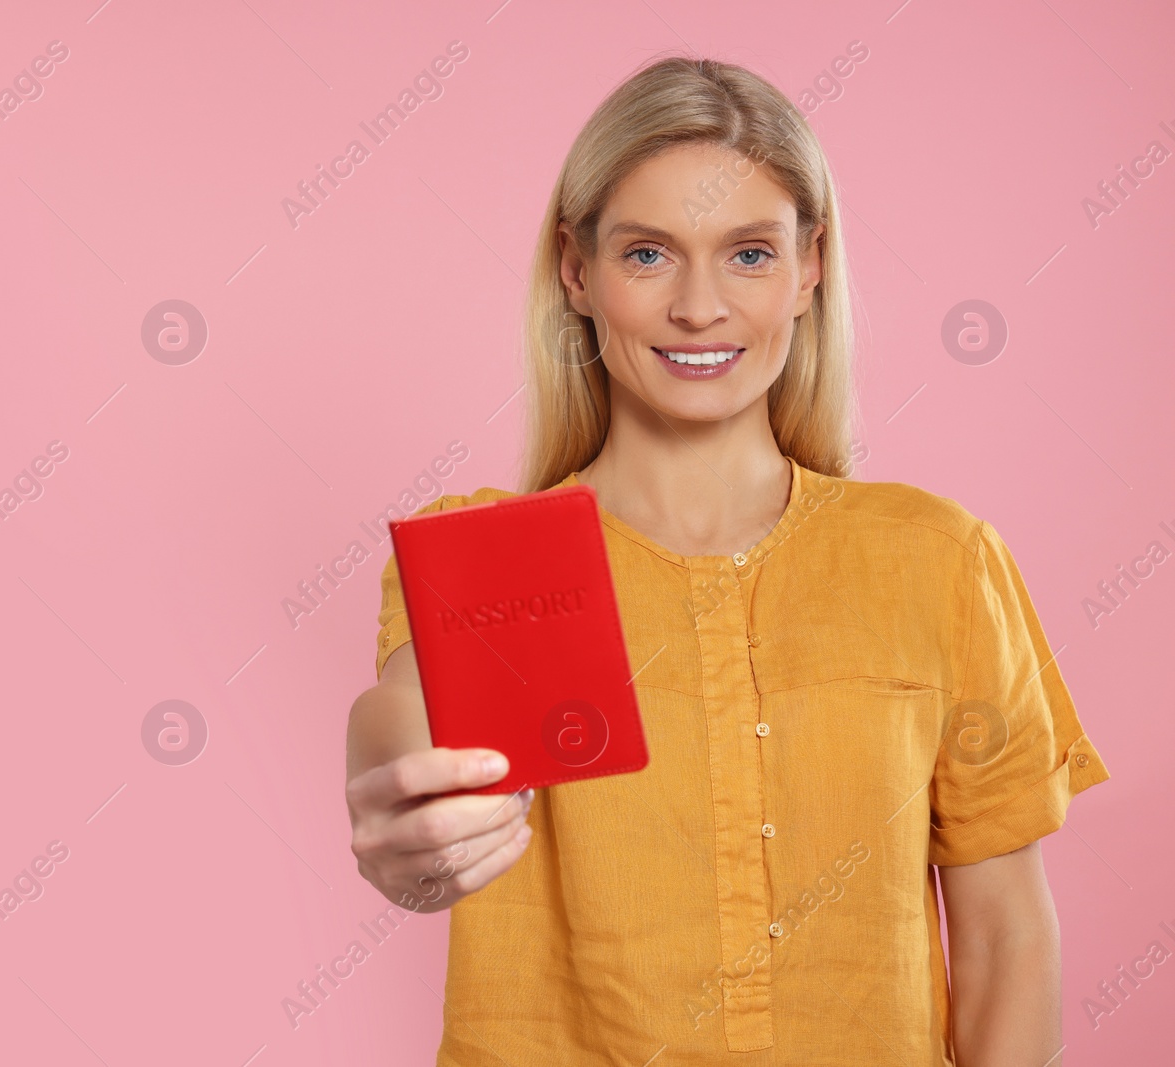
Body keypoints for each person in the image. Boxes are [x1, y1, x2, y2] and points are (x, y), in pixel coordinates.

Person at [344, 55, 1111, 1066]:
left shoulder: (937, 557)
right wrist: (403, 830)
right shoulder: (495, 555)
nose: (698, 307)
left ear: (810, 268)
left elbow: (1007, 931)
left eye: (748, 254)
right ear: (577, 270)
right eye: (648, 254)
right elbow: (400, 728)